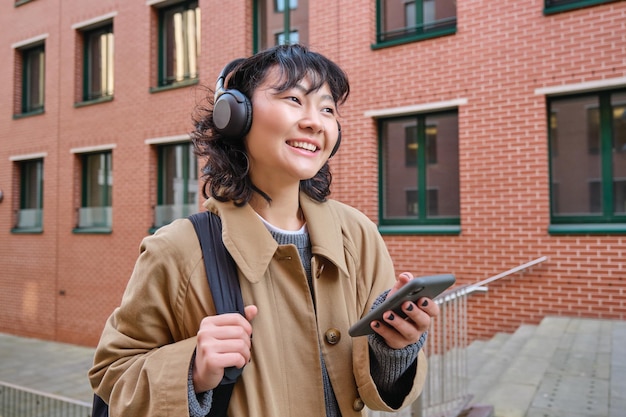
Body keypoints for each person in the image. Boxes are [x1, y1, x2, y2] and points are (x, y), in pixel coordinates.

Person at [89, 43, 440, 417]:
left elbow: (376, 387)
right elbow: (112, 376)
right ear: (235, 115)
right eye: (293, 98)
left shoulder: (357, 235)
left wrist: (395, 349)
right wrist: (191, 370)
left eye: (327, 109)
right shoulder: (178, 250)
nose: (315, 122)